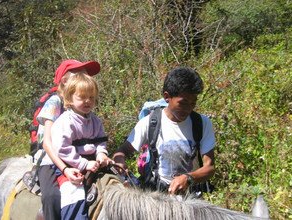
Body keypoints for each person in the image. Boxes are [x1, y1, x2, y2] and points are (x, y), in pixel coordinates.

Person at [113, 67, 215, 195]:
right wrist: (119, 161)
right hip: (158, 198)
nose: (188, 109)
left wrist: (188, 178)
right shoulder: (150, 123)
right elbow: (122, 151)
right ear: (167, 97)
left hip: (191, 200)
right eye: (183, 103)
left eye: (193, 103)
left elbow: (209, 167)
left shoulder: (202, 123)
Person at [35, 59, 101, 220]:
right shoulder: (55, 102)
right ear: (65, 80)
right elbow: (47, 142)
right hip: (51, 160)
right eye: (81, 73)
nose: (85, 77)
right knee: (51, 197)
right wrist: (65, 169)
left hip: (76, 157)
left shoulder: (82, 104)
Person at [51, 73, 113, 219]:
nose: (87, 101)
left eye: (91, 97)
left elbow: (100, 141)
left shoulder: (95, 121)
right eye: (82, 97)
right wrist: (84, 164)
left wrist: (101, 154)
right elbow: (63, 149)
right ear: (69, 99)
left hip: (93, 161)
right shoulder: (65, 122)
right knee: (74, 196)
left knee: (126, 180)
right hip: (70, 164)